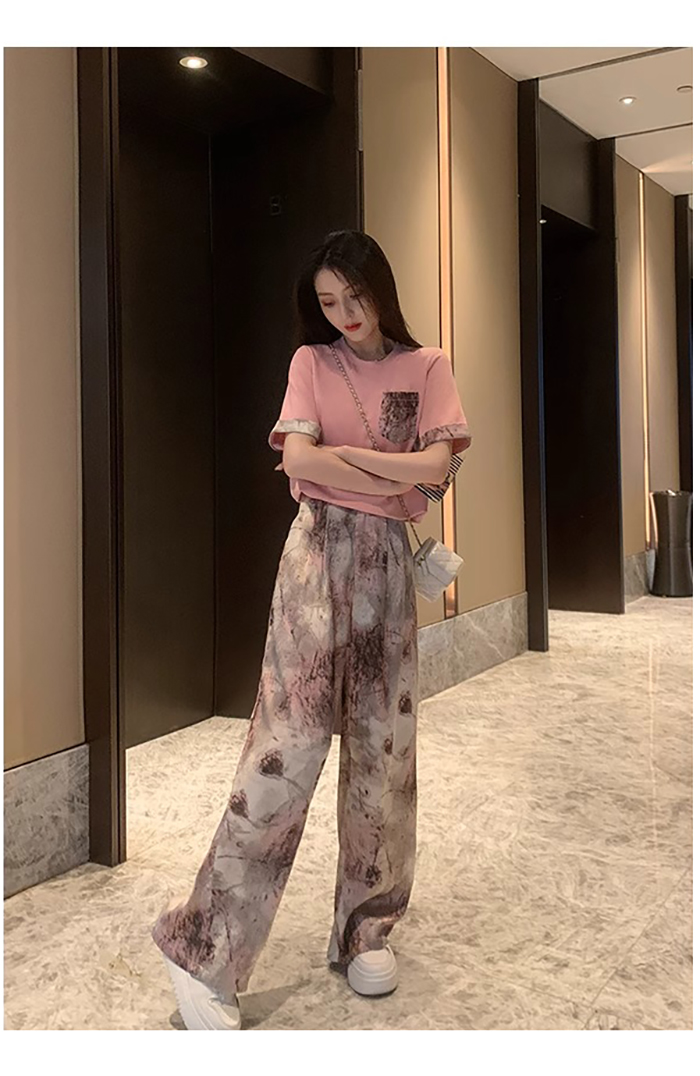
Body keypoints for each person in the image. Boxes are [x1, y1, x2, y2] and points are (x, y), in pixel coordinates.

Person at [150, 229, 472, 1030]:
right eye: (328, 302)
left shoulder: (427, 366)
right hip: (313, 564)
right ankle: (205, 949)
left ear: (380, 289)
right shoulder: (310, 363)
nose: (344, 314)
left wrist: (344, 459)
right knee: (283, 750)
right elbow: (299, 461)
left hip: (387, 571)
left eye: (354, 297)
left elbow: (437, 469)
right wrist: (386, 468)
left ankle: (367, 928)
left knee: (384, 756)